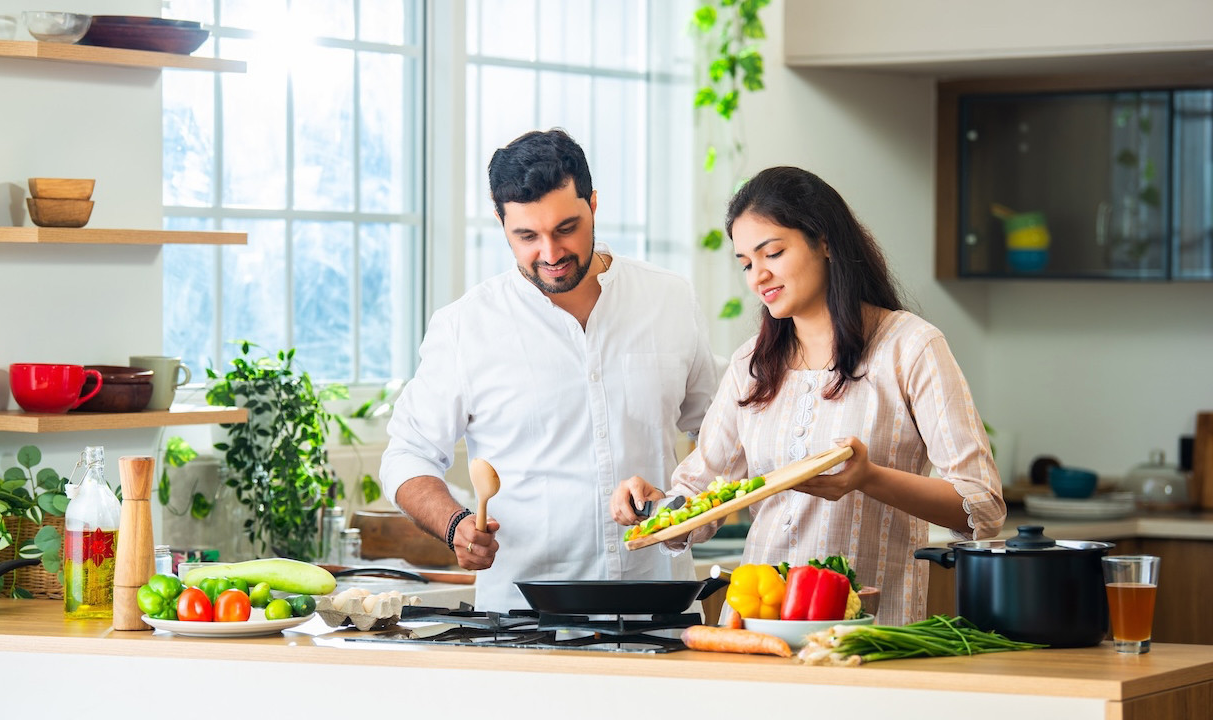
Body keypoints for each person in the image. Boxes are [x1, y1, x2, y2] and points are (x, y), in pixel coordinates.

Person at [610, 166, 1006, 625]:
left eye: (772, 253)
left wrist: (868, 477)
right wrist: (654, 507)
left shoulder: (910, 347)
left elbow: (981, 505)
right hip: (758, 627)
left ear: (825, 241)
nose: (758, 276)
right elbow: (701, 492)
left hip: (870, 632)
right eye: (745, 264)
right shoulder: (750, 366)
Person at [380, 129, 718, 612]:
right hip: (525, 622)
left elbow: (719, 435)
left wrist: (686, 505)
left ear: (594, 204)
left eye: (566, 228)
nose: (551, 253)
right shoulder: (464, 327)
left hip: (660, 609)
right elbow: (406, 456)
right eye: (526, 236)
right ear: (501, 222)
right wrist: (455, 524)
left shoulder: (669, 299)